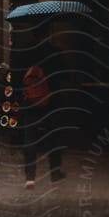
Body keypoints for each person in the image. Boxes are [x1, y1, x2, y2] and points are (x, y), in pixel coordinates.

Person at [15, 30, 68, 188]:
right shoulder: (55, 52)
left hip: (30, 101)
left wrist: (19, 97)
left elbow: (17, 76)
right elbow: (63, 74)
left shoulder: (24, 52)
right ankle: (55, 173)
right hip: (52, 100)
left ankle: (30, 177)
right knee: (54, 138)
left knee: (29, 139)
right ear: (48, 34)